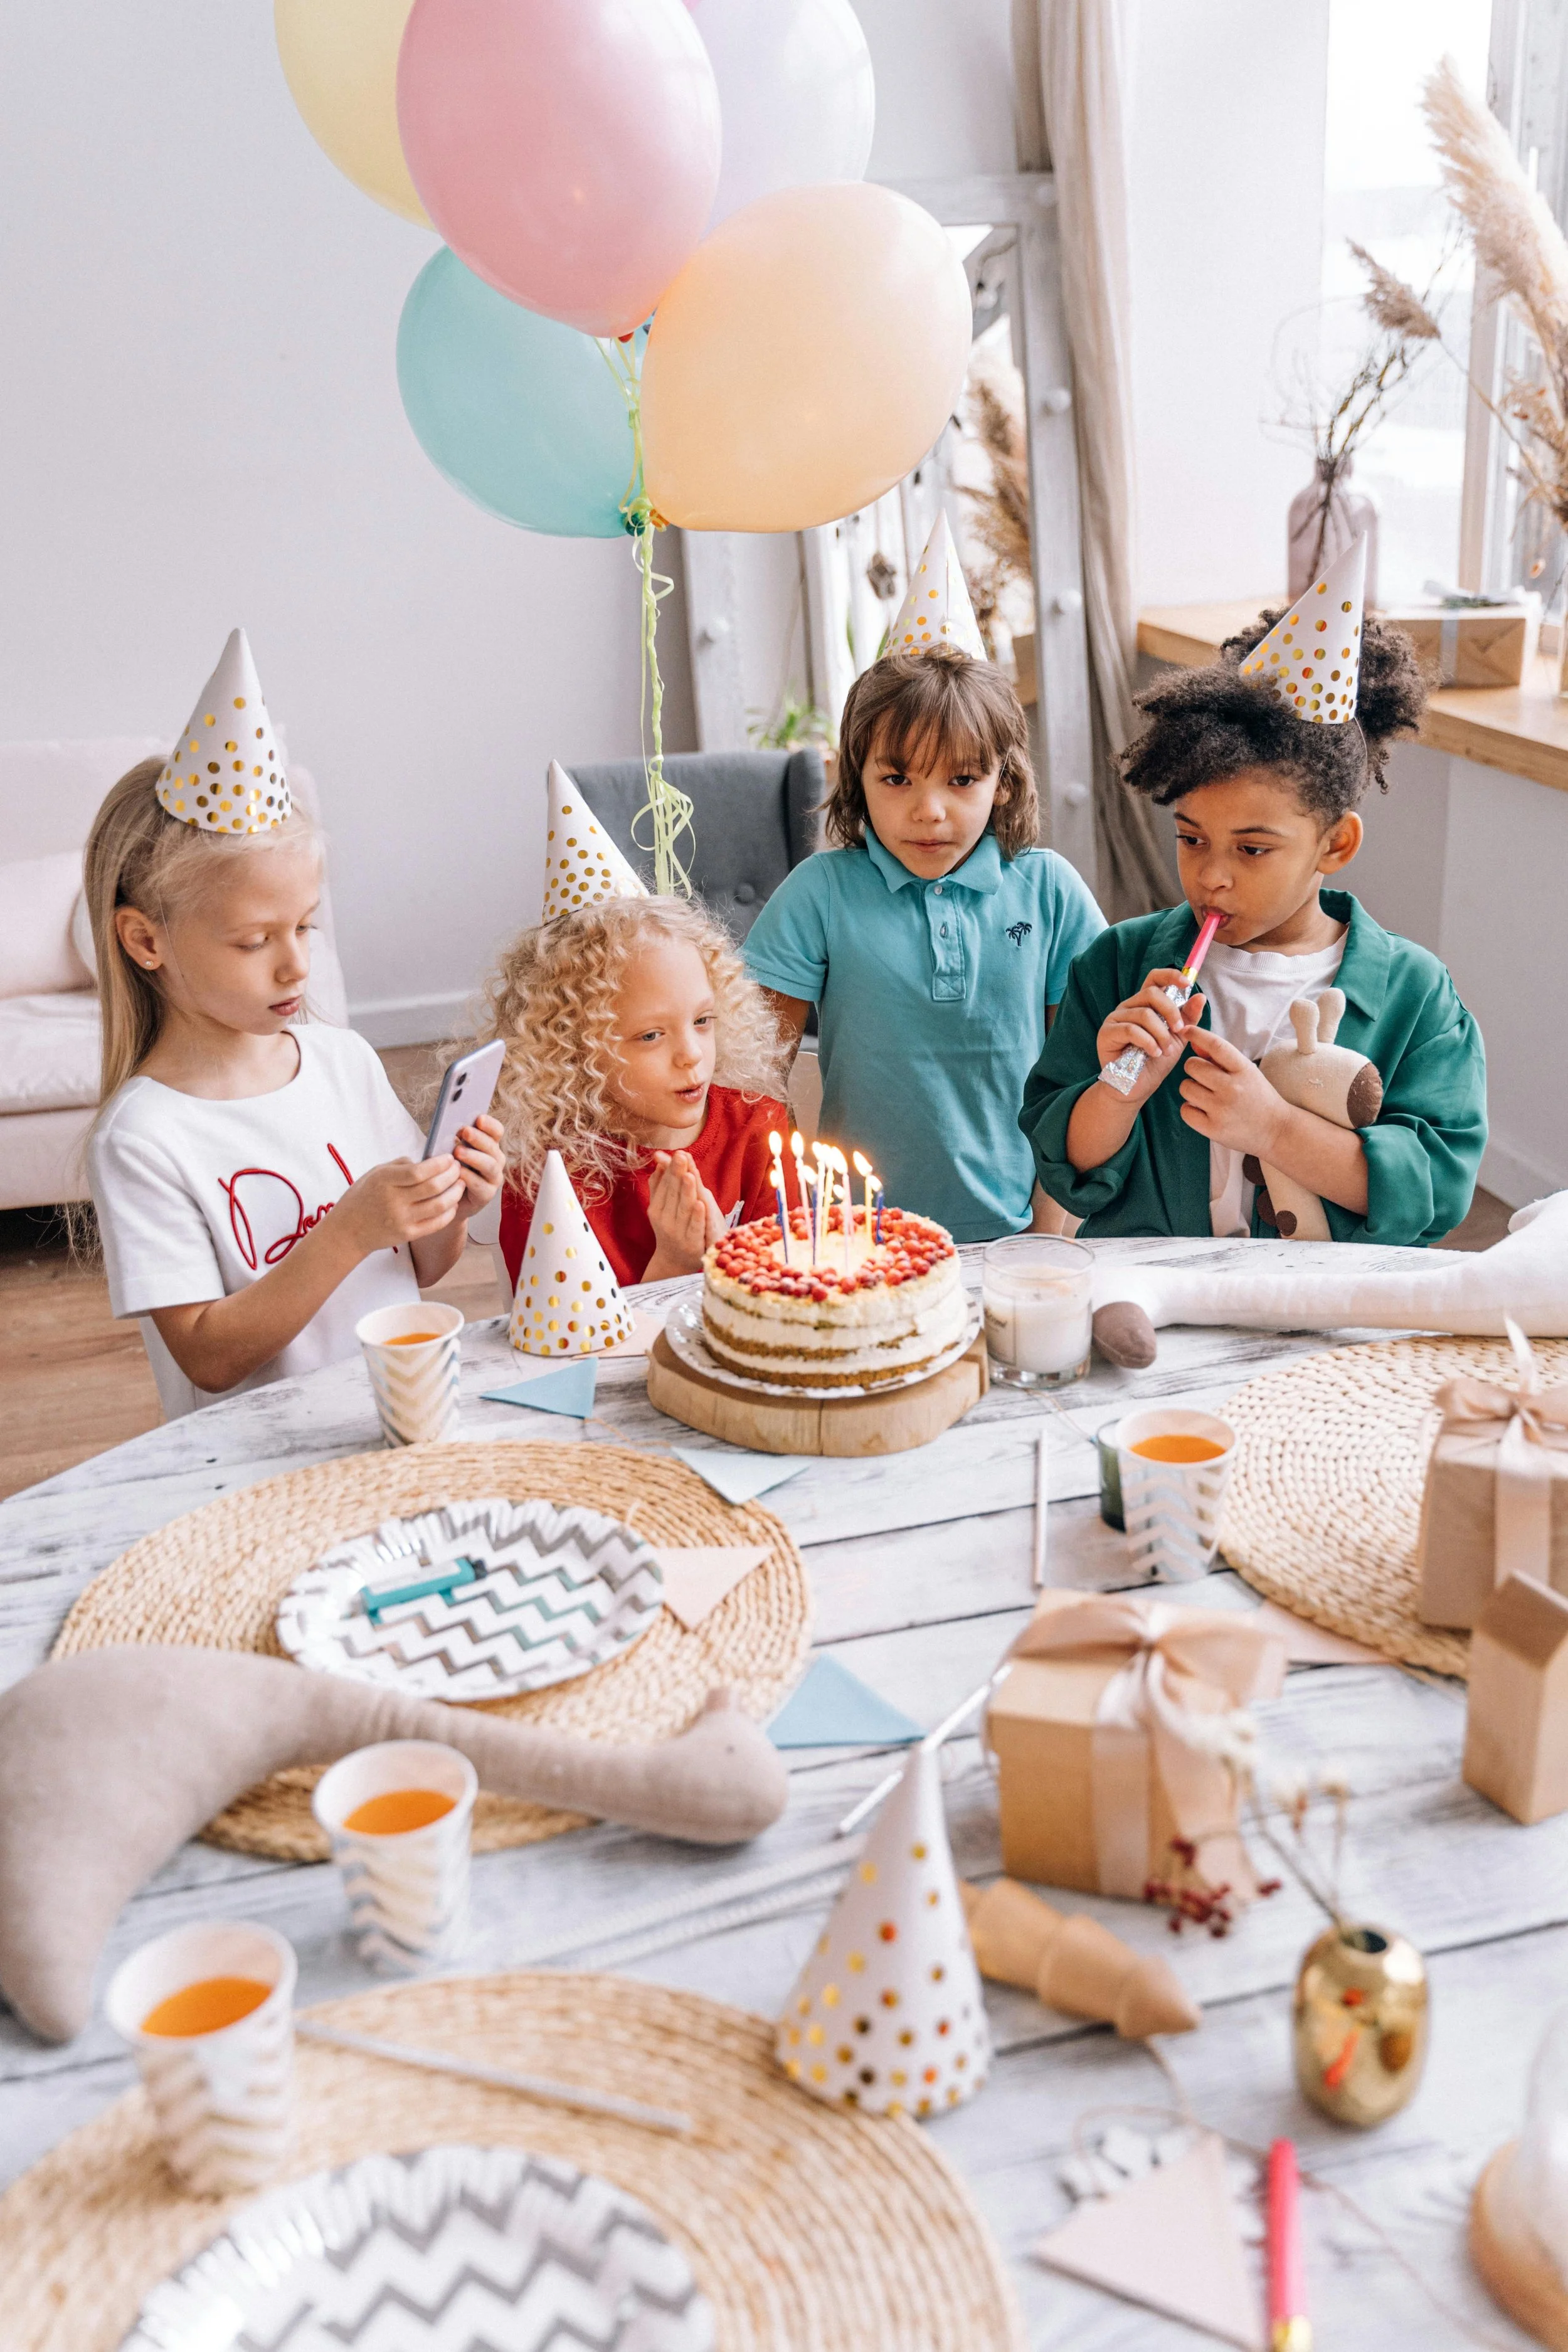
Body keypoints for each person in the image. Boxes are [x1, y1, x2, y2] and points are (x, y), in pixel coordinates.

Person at [84, 632, 503, 1419]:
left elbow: (417, 1268)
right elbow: (209, 1355)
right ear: (147, 941)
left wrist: (452, 1206)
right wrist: (345, 1233)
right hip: (255, 1466)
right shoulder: (144, 1139)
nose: (295, 966)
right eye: (253, 941)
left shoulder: (342, 1060)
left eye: (305, 927)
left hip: (392, 1418)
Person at [1022, 551, 1486, 1242]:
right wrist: (1118, 1090)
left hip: (1335, 1311)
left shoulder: (1416, 996)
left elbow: (1435, 1190)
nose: (1212, 876)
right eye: (1190, 839)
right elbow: (1066, 1166)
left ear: (1334, 845)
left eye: (1251, 850)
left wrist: (1273, 1128)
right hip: (1163, 1303)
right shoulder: (1115, 965)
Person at [741, 647, 1104, 1242]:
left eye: (962, 780)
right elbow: (755, 1080)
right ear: (857, 778)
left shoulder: (1051, 890)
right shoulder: (818, 893)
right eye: (897, 778)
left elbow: (1082, 1078)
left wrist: (1049, 1231)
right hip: (855, 1243)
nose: (929, 811)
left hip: (1026, 1239)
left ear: (1005, 782)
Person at [487, 893, 793, 1290]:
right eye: (651, 1035)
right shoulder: (550, 1172)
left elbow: (793, 1294)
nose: (691, 1055)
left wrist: (727, 1261)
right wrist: (674, 1265)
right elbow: (559, 1331)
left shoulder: (757, 1127)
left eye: (702, 1020)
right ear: (577, 1048)